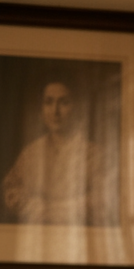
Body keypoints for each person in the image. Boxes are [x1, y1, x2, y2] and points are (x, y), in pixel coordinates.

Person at [2, 80, 117, 226]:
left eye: (63, 102)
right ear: (42, 108)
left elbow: (101, 203)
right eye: (48, 102)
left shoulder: (95, 154)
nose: (55, 111)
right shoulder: (30, 153)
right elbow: (11, 193)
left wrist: (41, 209)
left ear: (77, 108)